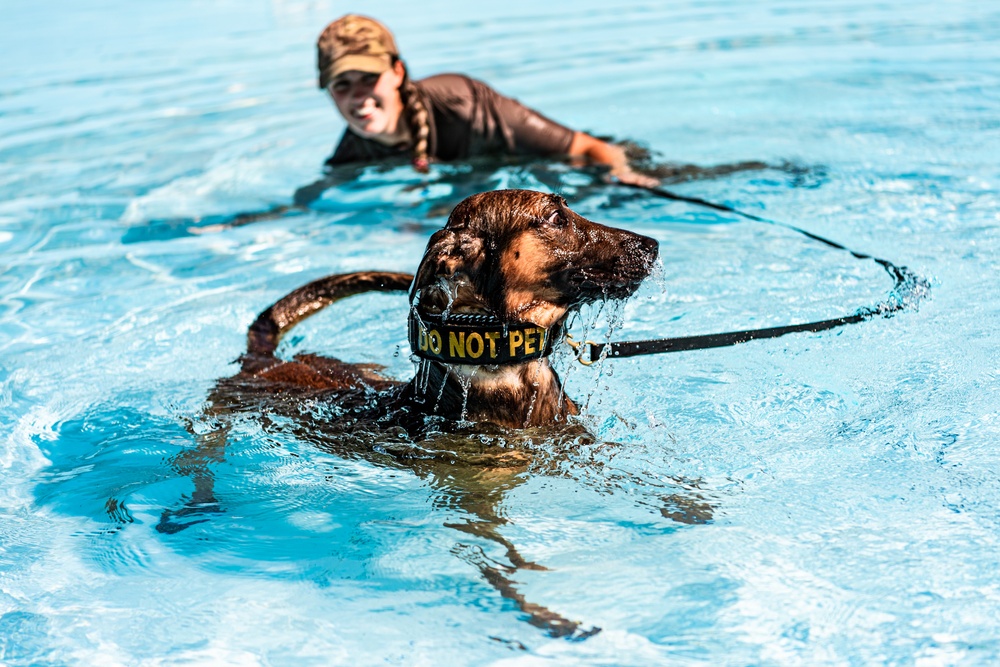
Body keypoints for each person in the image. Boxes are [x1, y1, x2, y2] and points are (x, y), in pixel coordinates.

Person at [293, 14, 659, 207]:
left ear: (397, 72)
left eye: (368, 78)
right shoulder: (350, 154)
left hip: (567, 172)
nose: (357, 97)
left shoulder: (464, 105)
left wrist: (622, 172)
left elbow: (589, 149)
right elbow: (312, 198)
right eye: (342, 85)